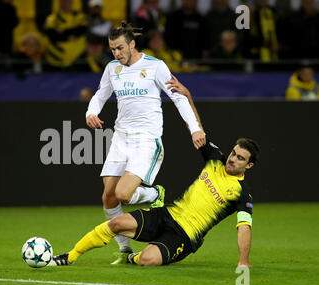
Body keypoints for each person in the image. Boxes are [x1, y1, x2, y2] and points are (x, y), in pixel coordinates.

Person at [50, 76, 259, 267]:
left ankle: (134, 257)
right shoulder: (215, 160)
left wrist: (243, 261)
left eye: (240, 158)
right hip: (167, 214)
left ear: (248, 166)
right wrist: (187, 95)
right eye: (233, 153)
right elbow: (196, 129)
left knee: (148, 260)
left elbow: (244, 227)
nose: (232, 159)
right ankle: (70, 256)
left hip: (185, 236)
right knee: (116, 223)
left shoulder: (242, 192)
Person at [83, 22, 206, 264]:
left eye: (120, 48)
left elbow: (179, 97)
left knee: (123, 194)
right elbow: (100, 94)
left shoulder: (155, 66)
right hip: (121, 139)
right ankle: (125, 249)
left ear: (132, 44)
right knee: (108, 197)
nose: (116, 53)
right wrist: (91, 112)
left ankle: (153, 192)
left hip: (146, 140)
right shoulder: (111, 69)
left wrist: (194, 129)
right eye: (112, 49)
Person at [42, 0, 88, 69]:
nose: (66, 3)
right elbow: (52, 35)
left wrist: (62, 32)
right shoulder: (52, 18)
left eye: (68, 1)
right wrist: (70, 35)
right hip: (55, 60)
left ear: (72, 2)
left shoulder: (80, 16)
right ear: (59, 3)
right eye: (63, 1)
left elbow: (82, 30)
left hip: (77, 60)